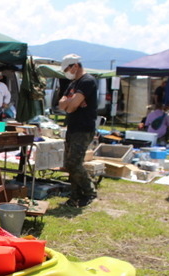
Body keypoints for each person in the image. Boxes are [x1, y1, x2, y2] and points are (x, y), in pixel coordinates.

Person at [58, 54, 98, 208]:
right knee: (69, 163)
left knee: (74, 163)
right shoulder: (73, 83)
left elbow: (73, 105)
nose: (66, 72)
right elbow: (62, 105)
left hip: (83, 127)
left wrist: (71, 102)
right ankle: (75, 195)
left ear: (75, 66)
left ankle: (89, 191)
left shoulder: (87, 81)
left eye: (67, 69)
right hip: (72, 127)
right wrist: (71, 102)